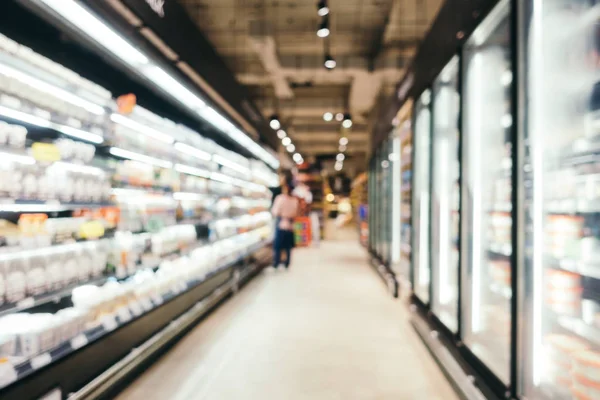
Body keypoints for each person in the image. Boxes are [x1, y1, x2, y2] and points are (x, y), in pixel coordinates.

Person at [271, 182, 299, 269]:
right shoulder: (295, 200)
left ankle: (276, 262)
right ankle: (287, 262)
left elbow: (275, 212)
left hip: (282, 223)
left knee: (278, 245)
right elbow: (296, 213)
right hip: (290, 225)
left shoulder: (280, 199)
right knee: (288, 246)